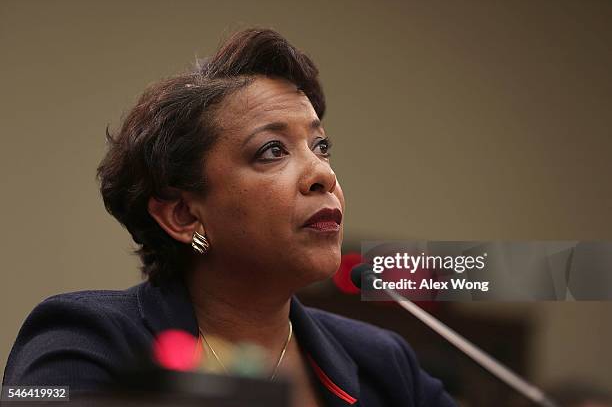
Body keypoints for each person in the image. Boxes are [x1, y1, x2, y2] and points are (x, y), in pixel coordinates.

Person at [2, 28, 455, 406]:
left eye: (321, 147)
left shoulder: (382, 363)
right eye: (271, 151)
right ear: (182, 214)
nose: (322, 173)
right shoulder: (85, 340)